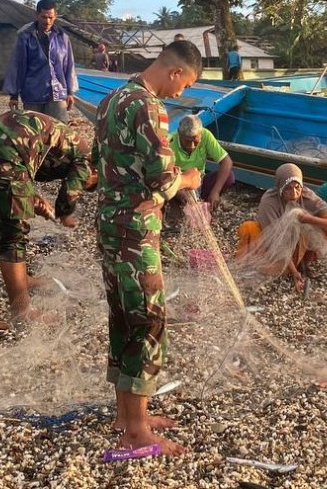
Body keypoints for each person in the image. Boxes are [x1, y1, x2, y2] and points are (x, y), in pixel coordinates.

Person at [93, 40, 206, 456]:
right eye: (185, 84)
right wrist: (189, 179)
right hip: (136, 230)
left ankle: (128, 414)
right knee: (148, 320)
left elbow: (99, 161)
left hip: (109, 221)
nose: (181, 94)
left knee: (124, 315)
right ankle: (137, 433)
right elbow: (161, 176)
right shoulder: (150, 107)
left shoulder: (110, 100)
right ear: (175, 72)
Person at [0, 110, 95, 321]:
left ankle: (22, 278)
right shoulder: (86, 158)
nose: (85, 187)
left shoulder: (65, 144)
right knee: (13, 231)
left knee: (1, 218)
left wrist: (33, 198)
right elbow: (71, 189)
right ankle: (22, 313)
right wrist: (65, 215)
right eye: (90, 186)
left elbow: (24, 165)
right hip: (5, 150)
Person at [236, 163, 327, 291]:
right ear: (280, 188)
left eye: (297, 187)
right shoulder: (269, 201)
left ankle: (303, 263)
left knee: (322, 228)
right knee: (248, 229)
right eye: (288, 189)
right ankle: (289, 267)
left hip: (296, 242)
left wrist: (309, 219)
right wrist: (295, 273)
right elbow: (277, 243)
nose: (294, 193)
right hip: (274, 244)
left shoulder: (307, 195)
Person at [4, 0, 77, 122]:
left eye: (50, 17)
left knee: (59, 132)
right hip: (33, 94)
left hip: (58, 94)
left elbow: (69, 66)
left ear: (55, 16)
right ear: (37, 15)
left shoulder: (62, 38)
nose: (47, 21)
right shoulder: (26, 37)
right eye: (43, 17)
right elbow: (17, 66)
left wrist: (70, 92)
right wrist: (14, 95)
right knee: (34, 132)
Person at [168, 115, 235, 211]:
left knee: (229, 176)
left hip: (199, 180)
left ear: (201, 133)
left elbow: (227, 162)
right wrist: (180, 193)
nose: (191, 146)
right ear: (179, 134)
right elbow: (165, 177)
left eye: (195, 141)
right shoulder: (169, 143)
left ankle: (207, 203)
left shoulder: (206, 135)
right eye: (187, 141)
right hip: (179, 183)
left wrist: (215, 191)